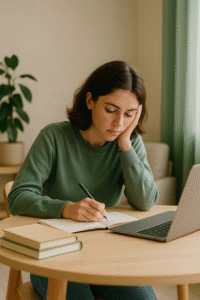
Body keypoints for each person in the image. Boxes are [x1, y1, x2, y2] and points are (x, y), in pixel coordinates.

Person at [7, 60, 158, 300]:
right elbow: (17, 198)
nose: (119, 123)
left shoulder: (128, 142)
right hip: (52, 255)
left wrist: (125, 144)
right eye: (111, 110)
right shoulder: (53, 137)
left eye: (129, 114)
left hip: (105, 255)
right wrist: (66, 208)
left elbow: (146, 201)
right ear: (90, 101)